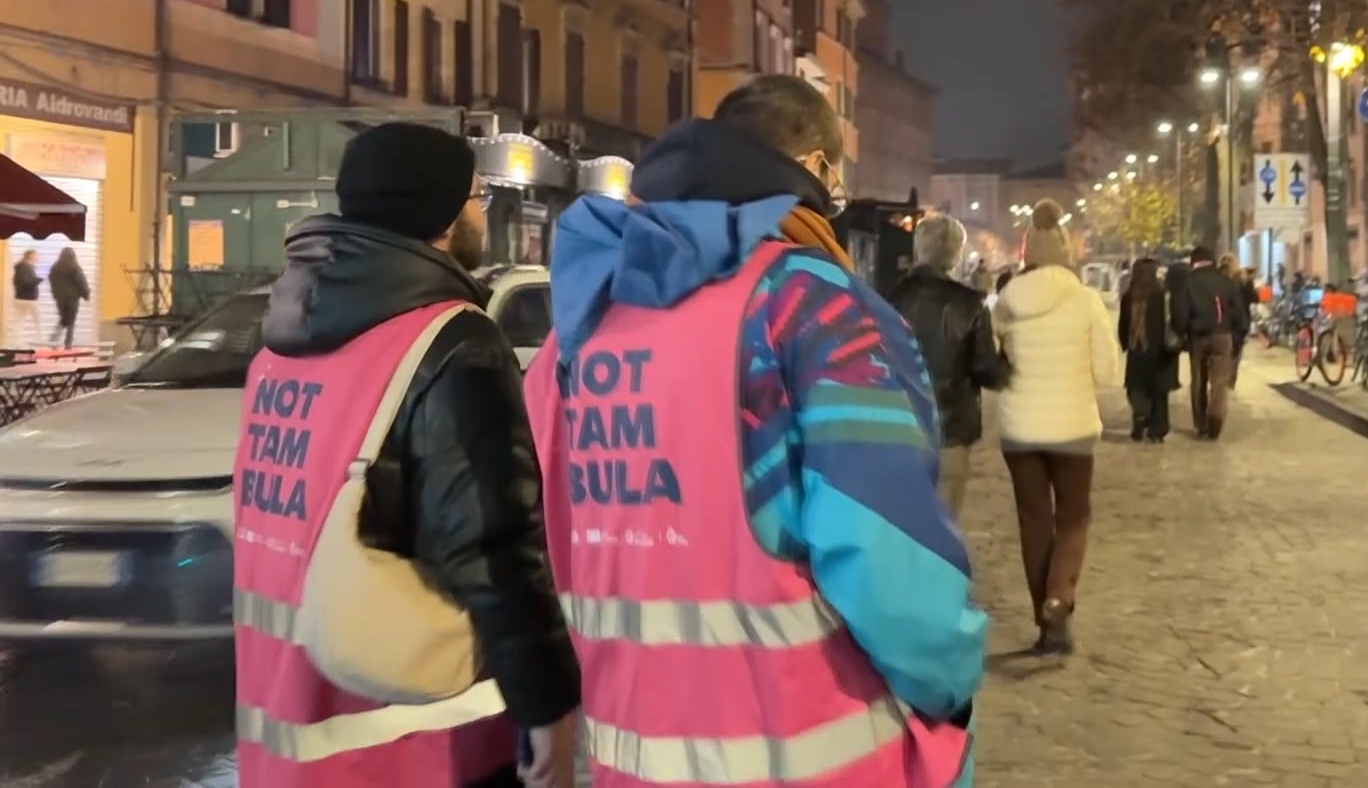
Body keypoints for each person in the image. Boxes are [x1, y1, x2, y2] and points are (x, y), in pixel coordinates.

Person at [524, 75, 983, 786]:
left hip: (632, 755)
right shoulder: (813, 308)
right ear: (820, 171)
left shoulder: (581, 327)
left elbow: (544, 530)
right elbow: (889, 558)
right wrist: (949, 687)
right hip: (814, 752)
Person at [235, 123, 579, 787]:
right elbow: (493, 546)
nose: (481, 211)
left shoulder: (281, 347)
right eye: (476, 196)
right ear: (444, 214)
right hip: (416, 742)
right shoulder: (451, 340)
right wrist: (546, 705)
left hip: (286, 731)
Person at [993, 199, 1120, 654]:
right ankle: (1058, 599)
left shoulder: (1007, 300)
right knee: (1073, 517)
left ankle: (1046, 623)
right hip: (1072, 428)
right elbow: (1108, 372)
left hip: (1019, 428)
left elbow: (995, 358)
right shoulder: (1086, 300)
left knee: (1034, 522)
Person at [888, 213, 1011, 517]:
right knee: (944, 521)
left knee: (904, 519)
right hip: (952, 429)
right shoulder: (969, 303)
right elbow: (987, 370)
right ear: (956, 255)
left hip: (899, 426)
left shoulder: (890, 298)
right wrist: (1007, 361)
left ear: (918, 250)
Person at [1173, 245, 1248, 440]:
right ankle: (1215, 418)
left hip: (1198, 336)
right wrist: (1238, 335)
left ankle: (1201, 424)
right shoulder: (1226, 282)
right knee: (1219, 380)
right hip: (1223, 335)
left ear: (1194, 261)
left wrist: (1181, 333)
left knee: (1198, 379)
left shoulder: (1189, 282)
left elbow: (1181, 313)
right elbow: (1238, 311)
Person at [1117, 257, 1179, 442]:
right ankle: (1157, 430)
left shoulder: (1130, 295)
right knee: (1159, 393)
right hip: (1160, 351)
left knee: (1137, 388)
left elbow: (1123, 323)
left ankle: (1140, 418)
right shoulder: (1162, 294)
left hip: (1137, 349)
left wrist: (1125, 343)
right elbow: (1172, 319)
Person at [48, 247, 89, 349]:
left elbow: (52, 281)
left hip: (60, 299)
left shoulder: (55, 267)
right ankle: (68, 344)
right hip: (72, 298)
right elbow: (81, 281)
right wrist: (86, 294)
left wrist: (55, 294)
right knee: (71, 321)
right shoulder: (74, 266)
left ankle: (54, 339)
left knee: (64, 319)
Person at [10, 248, 40, 346]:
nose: (37, 257)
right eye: (36, 255)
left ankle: (16, 342)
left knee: (19, 320)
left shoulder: (20, 267)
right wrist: (37, 280)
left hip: (19, 298)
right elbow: (25, 282)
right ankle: (41, 340)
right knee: (38, 320)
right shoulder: (26, 267)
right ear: (30, 256)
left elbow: (16, 282)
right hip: (29, 298)